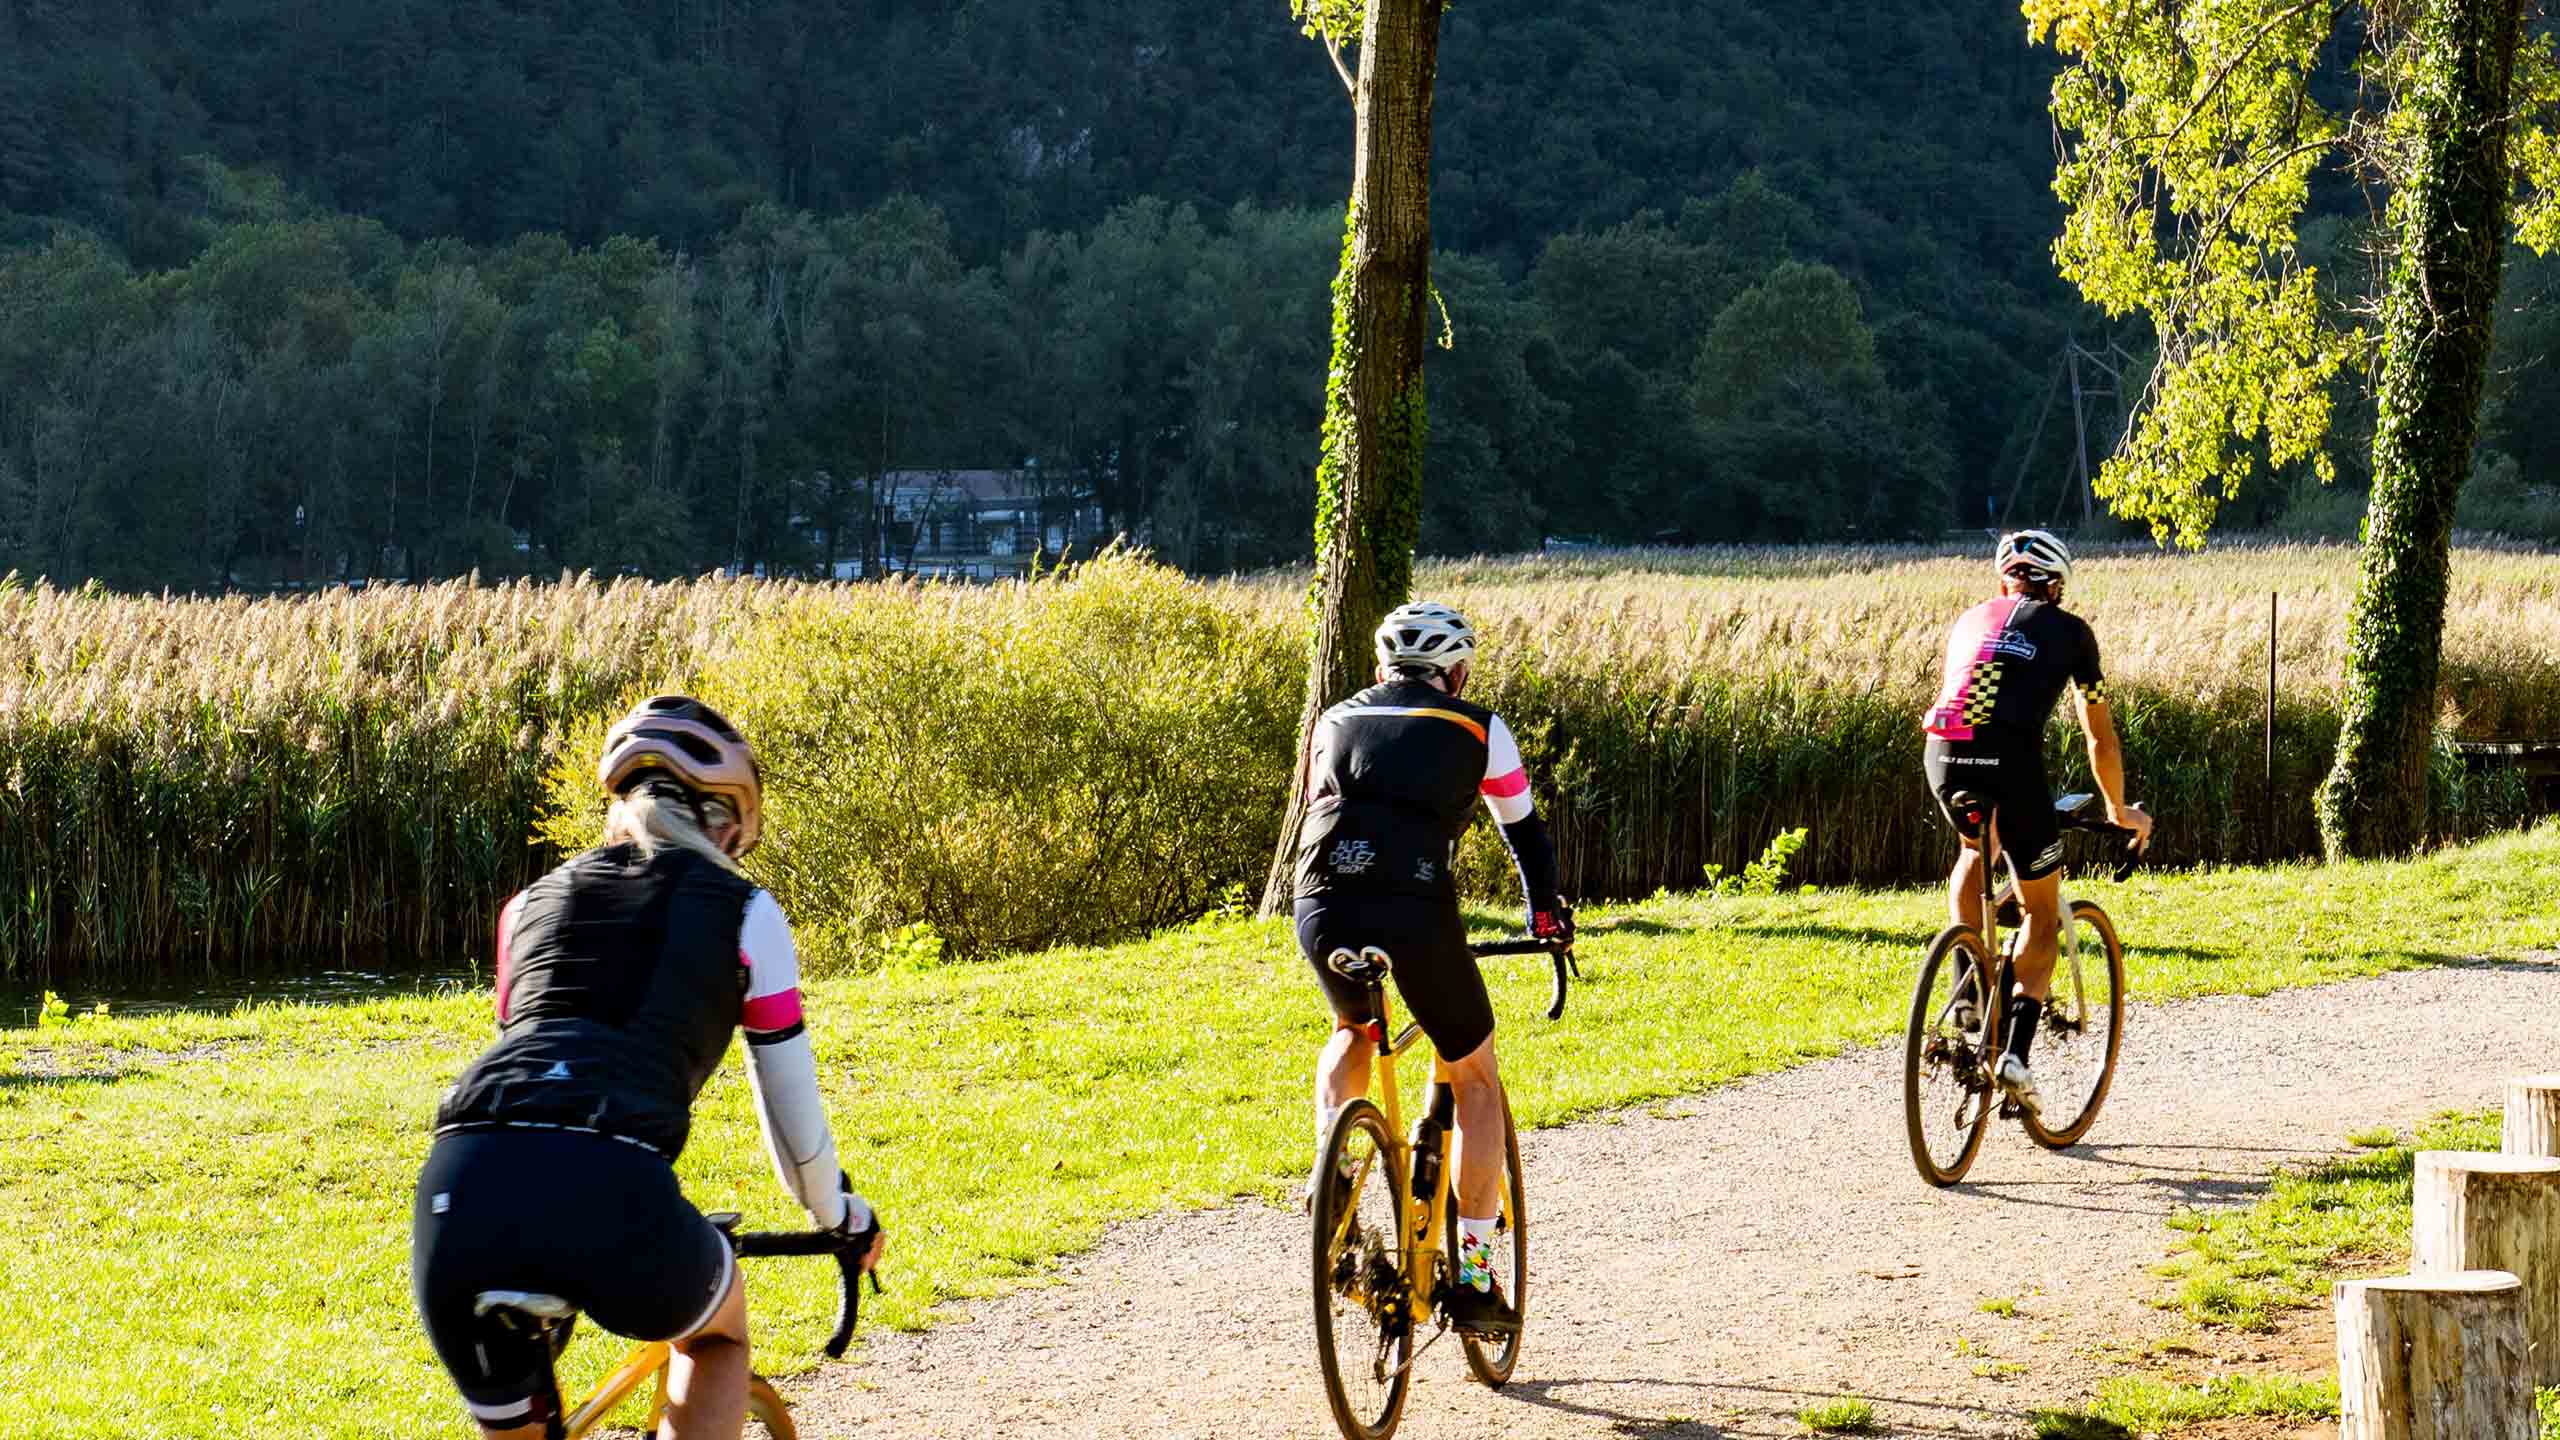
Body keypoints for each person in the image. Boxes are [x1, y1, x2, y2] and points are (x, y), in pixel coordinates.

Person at [411, 696, 885, 1440]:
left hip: (459, 1187)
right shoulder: (745, 910)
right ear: (724, 821)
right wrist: (842, 1218)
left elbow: (533, 1066)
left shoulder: (526, 906)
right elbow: (796, 1135)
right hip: (608, 1181)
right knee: (717, 1337)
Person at [1292, 601, 1572, 1337]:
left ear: (1381, 669)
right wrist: (1546, 917)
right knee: (1476, 1076)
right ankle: (1477, 1279)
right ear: (1458, 671)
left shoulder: (1333, 720)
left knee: (1353, 1030)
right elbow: (1525, 835)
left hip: (1319, 903)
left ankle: (1333, 1184)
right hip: (1411, 907)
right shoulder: (1480, 726)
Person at [1922, 531, 2152, 1116]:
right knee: (2041, 911)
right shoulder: (2073, 633)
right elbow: (2098, 732)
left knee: (1974, 852)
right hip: (2011, 761)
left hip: (1944, 752)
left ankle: (1967, 985)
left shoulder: (1970, 619)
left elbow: (1976, 694)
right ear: (2057, 586)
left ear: (2005, 582)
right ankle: (2015, 1056)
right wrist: (2119, 809)